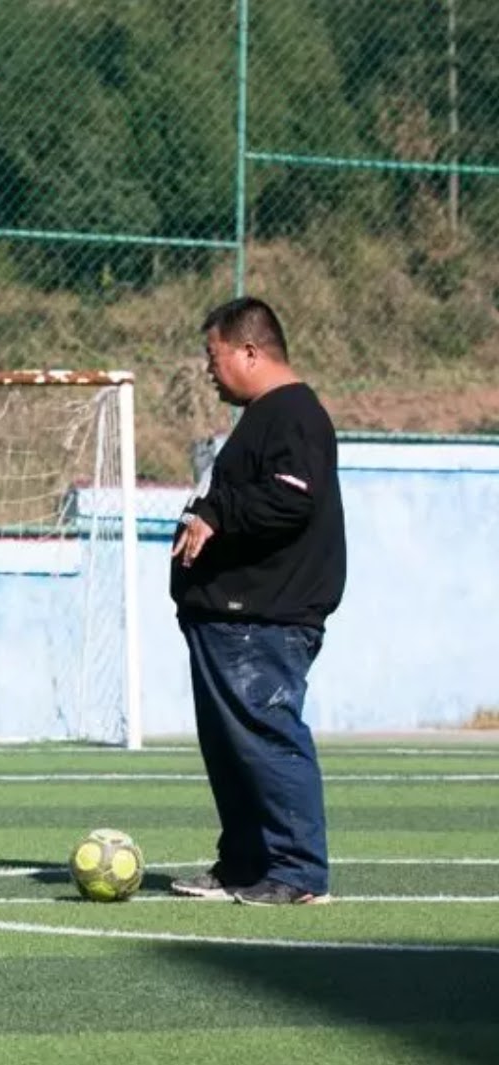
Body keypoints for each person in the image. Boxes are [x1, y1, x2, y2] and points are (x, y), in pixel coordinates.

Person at [169, 297, 346, 907]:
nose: (208, 370)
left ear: (249, 351)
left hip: (263, 618)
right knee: (232, 746)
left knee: (266, 735)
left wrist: (215, 511)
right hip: (229, 618)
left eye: (213, 356)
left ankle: (298, 873)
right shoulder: (265, 416)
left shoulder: (293, 413)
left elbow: (291, 498)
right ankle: (245, 863)